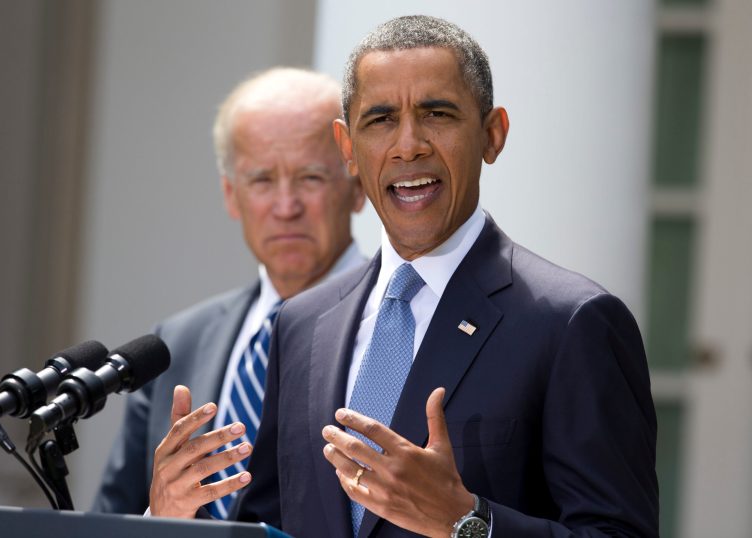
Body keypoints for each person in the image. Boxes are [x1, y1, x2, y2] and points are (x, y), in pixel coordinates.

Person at [150, 15, 659, 537]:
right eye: (380, 119)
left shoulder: (572, 321)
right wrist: (168, 518)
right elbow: (270, 525)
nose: (408, 144)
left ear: (492, 133)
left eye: (437, 113)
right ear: (347, 148)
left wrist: (467, 523)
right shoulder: (302, 324)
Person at [92, 67, 366, 516]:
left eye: (311, 178)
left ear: (357, 187)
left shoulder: (397, 325)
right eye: (261, 180)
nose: (285, 207)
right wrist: (160, 517)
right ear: (230, 194)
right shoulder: (177, 343)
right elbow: (111, 516)